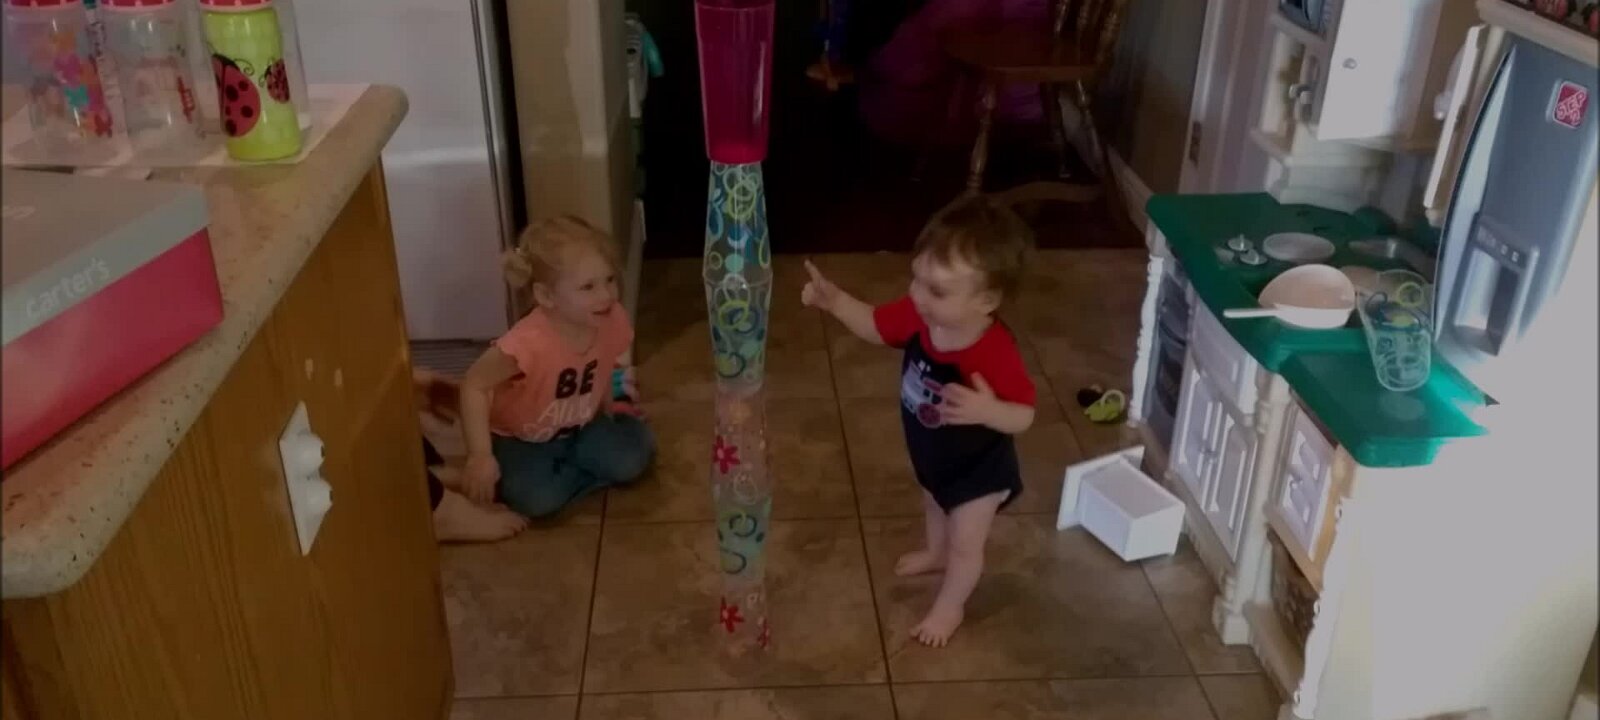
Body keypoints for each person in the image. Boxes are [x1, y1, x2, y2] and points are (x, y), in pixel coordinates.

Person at [802, 195, 1037, 647]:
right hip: (933, 454)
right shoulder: (919, 316)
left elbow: (1024, 415)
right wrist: (836, 302)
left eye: (938, 291)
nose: (917, 296)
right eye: (917, 278)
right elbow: (875, 325)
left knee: (966, 543)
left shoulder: (993, 351)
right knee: (933, 502)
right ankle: (934, 552)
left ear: (986, 301)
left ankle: (950, 607)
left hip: (978, 470)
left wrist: (988, 411)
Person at [457, 216, 654, 521]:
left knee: (632, 461)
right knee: (537, 501)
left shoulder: (610, 318)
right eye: (588, 287)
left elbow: (604, 362)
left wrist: (608, 406)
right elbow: (474, 384)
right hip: (521, 438)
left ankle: (593, 445)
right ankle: (568, 470)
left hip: (582, 424)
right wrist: (480, 455)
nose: (606, 295)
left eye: (610, 280)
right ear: (546, 296)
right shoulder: (526, 343)